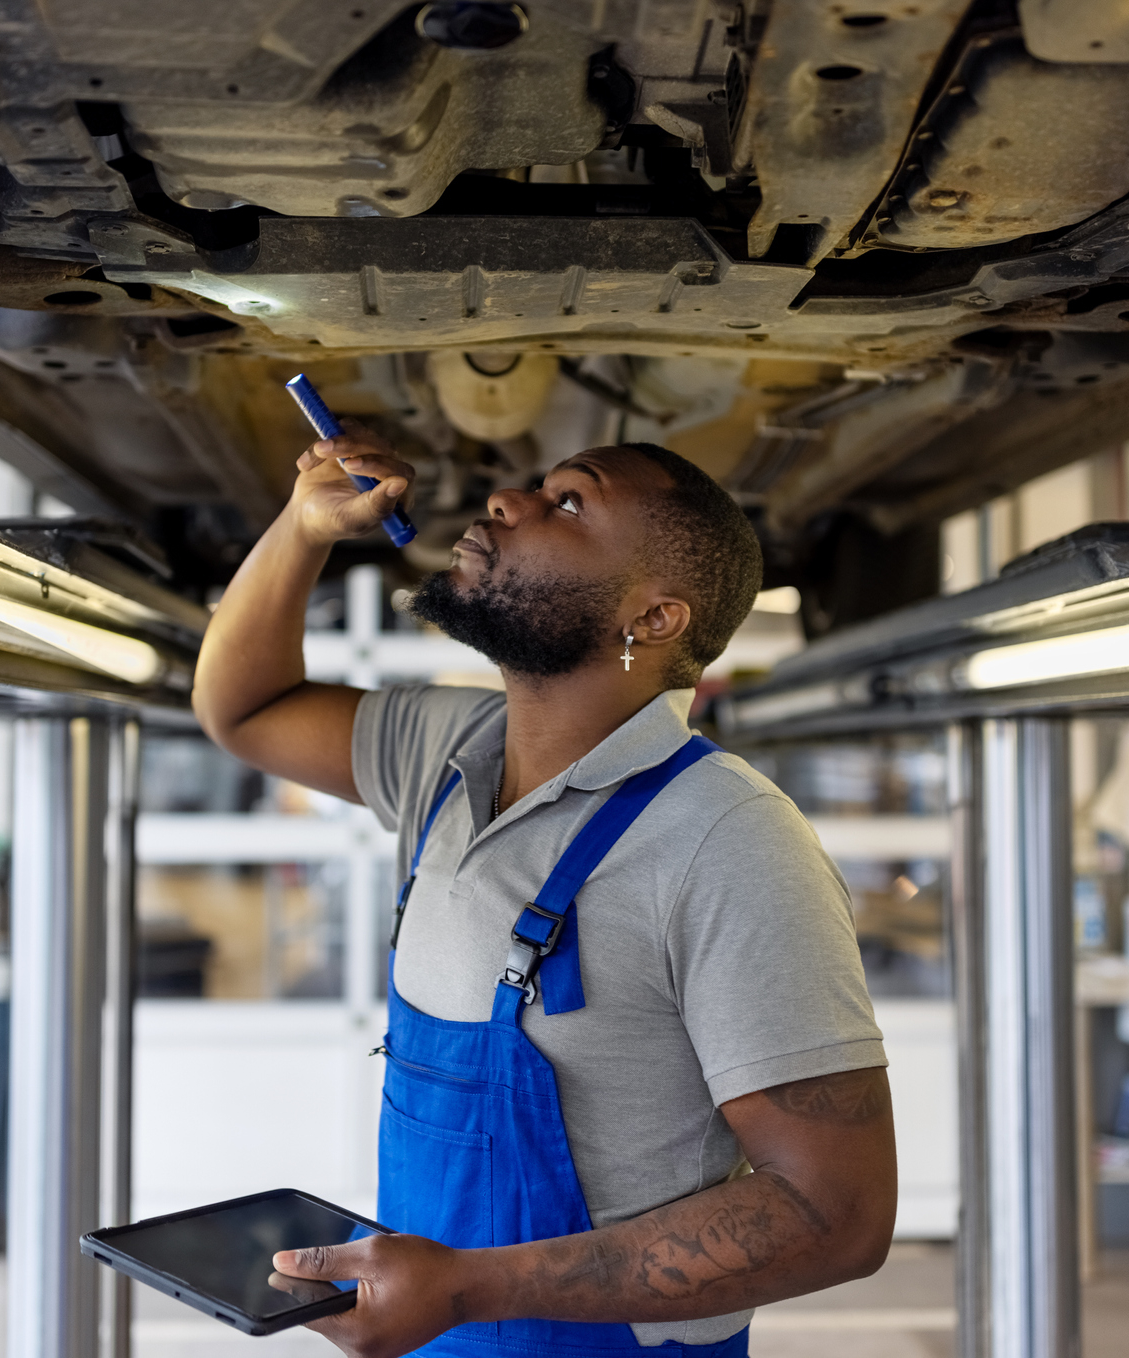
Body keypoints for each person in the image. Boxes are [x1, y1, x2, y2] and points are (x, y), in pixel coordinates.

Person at [193, 421, 894, 1358]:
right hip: (429, 1332)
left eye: (569, 502)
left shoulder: (728, 841)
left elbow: (836, 1213)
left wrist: (469, 1289)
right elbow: (243, 709)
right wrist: (303, 528)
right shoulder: (450, 751)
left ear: (654, 618)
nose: (504, 502)